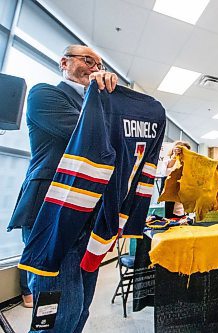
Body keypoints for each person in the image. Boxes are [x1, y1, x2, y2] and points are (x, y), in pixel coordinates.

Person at [7, 44, 117, 332]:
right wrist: (103, 99)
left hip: (90, 220)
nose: (95, 68)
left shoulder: (102, 106)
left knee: (80, 310)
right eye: (89, 60)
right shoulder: (44, 94)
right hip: (51, 216)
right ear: (63, 63)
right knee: (57, 317)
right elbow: (88, 138)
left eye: (99, 64)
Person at [163, 140, 191, 218]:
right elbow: (167, 172)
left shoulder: (187, 164)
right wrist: (175, 156)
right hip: (171, 197)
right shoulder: (168, 161)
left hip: (184, 196)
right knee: (171, 220)